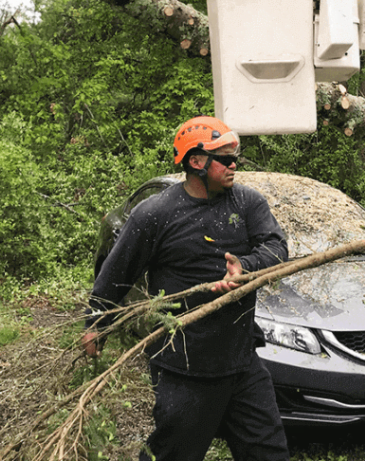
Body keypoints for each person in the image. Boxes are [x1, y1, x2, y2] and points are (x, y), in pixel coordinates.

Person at [83, 116, 290, 461]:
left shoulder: (247, 203)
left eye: (234, 155)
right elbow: (115, 274)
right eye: (224, 157)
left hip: (241, 363)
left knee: (270, 454)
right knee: (174, 453)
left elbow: (276, 248)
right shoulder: (154, 214)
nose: (234, 164)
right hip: (183, 368)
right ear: (196, 161)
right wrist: (95, 324)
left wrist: (247, 267)